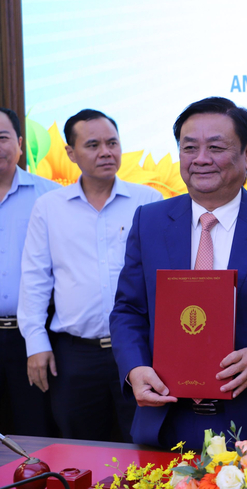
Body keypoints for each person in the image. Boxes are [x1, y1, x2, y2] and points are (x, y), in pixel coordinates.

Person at [109, 97, 247, 449]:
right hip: (168, 418)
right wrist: (134, 368)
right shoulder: (149, 221)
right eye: (189, 148)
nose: (201, 159)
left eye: (216, 147)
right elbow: (128, 310)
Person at [18, 109, 162, 441]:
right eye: (93, 144)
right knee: (80, 446)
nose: (106, 152)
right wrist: (36, 344)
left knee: (145, 444)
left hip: (140, 350)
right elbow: (35, 279)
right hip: (75, 355)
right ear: (70, 153)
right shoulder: (50, 207)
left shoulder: (148, 201)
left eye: (113, 143)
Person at [0, 107, 60, 437]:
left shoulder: (51, 197)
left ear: (20, 143)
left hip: (34, 338)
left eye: (2, 137)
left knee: (34, 433)